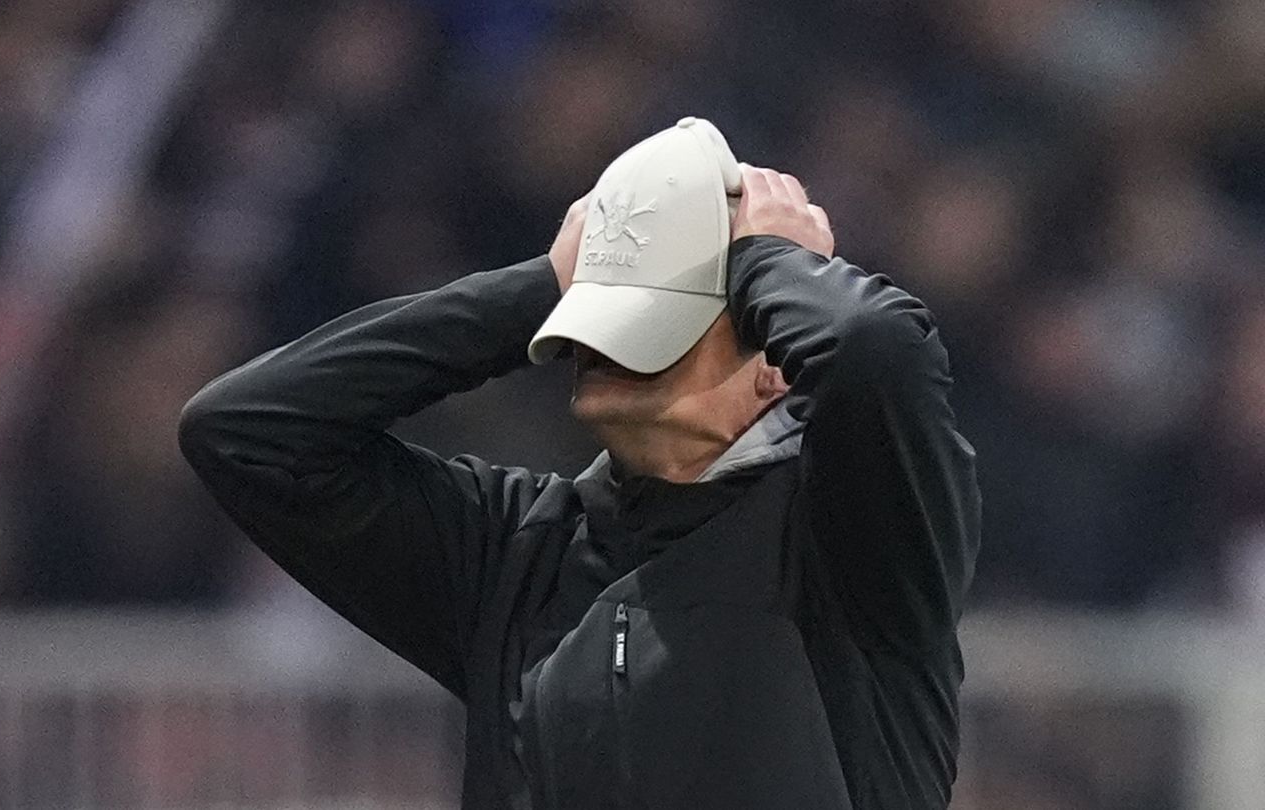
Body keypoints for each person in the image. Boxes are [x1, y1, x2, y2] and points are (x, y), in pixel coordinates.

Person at [180, 118, 980, 809]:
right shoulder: (513, 552)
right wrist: (544, 284)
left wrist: (764, 257)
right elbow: (245, 432)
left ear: (774, 359)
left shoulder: (850, 540)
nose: (600, 341)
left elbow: (876, 349)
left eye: (666, 311)